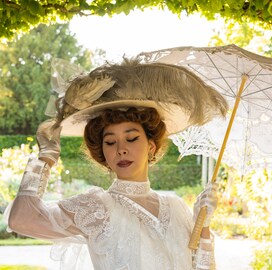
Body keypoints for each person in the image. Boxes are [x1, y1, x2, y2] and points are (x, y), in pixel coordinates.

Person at [5, 59, 226, 270]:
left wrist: (203, 225)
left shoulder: (177, 208)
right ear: (102, 151)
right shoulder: (97, 207)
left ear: (151, 146)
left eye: (131, 138)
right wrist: (45, 158)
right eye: (110, 142)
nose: (121, 148)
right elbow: (21, 219)